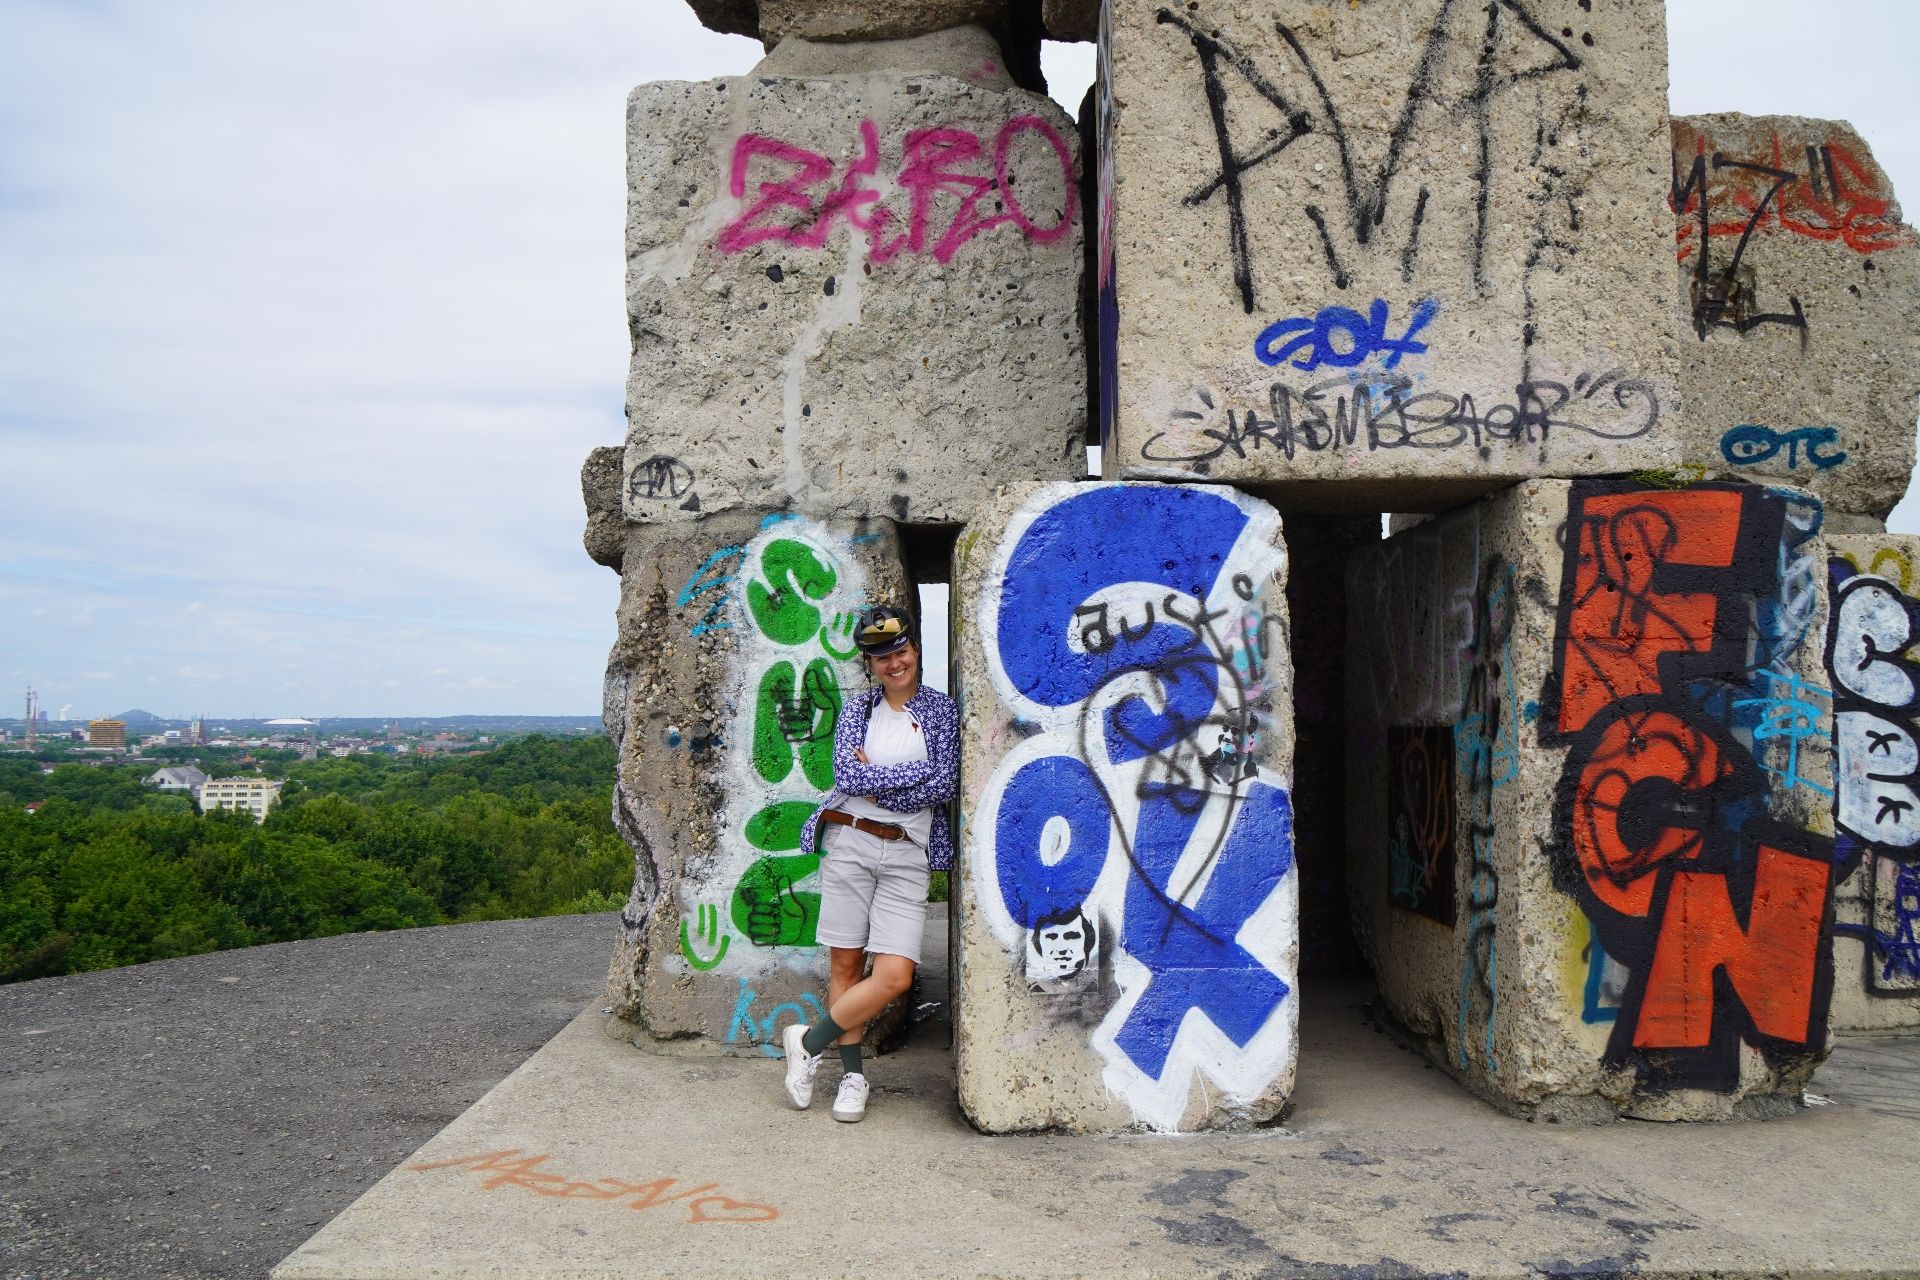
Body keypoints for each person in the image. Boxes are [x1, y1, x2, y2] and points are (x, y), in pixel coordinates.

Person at [781, 603, 958, 1122]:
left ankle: (808, 1041)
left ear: (915, 650)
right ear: (869, 664)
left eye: (899, 651)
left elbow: (944, 783)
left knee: (895, 974)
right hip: (851, 842)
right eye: (880, 657)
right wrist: (910, 776)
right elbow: (848, 779)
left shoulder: (942, 712)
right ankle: (852, 1077)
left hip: (908, 852)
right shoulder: (857, 711)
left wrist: (880, 777)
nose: (893, 663)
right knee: (846, 963)